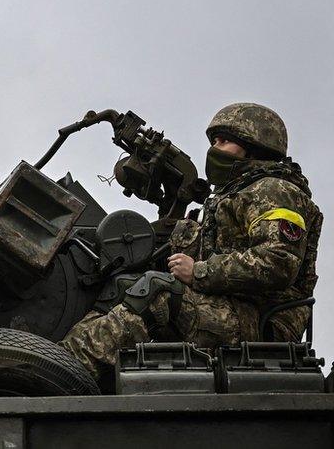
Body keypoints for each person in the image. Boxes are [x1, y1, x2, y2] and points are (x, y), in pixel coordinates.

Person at [59, 103, 322, 380]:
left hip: (260, 321)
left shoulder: (276, 190)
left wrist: (197, 271)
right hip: (229, 307)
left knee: (157, 292)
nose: (214, 149)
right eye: (214, 141)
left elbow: (277, 262)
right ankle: (61, 357)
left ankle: (63, 372)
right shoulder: (229, 196)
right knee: (122, 284)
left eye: (224, 141)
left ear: (253, 147)